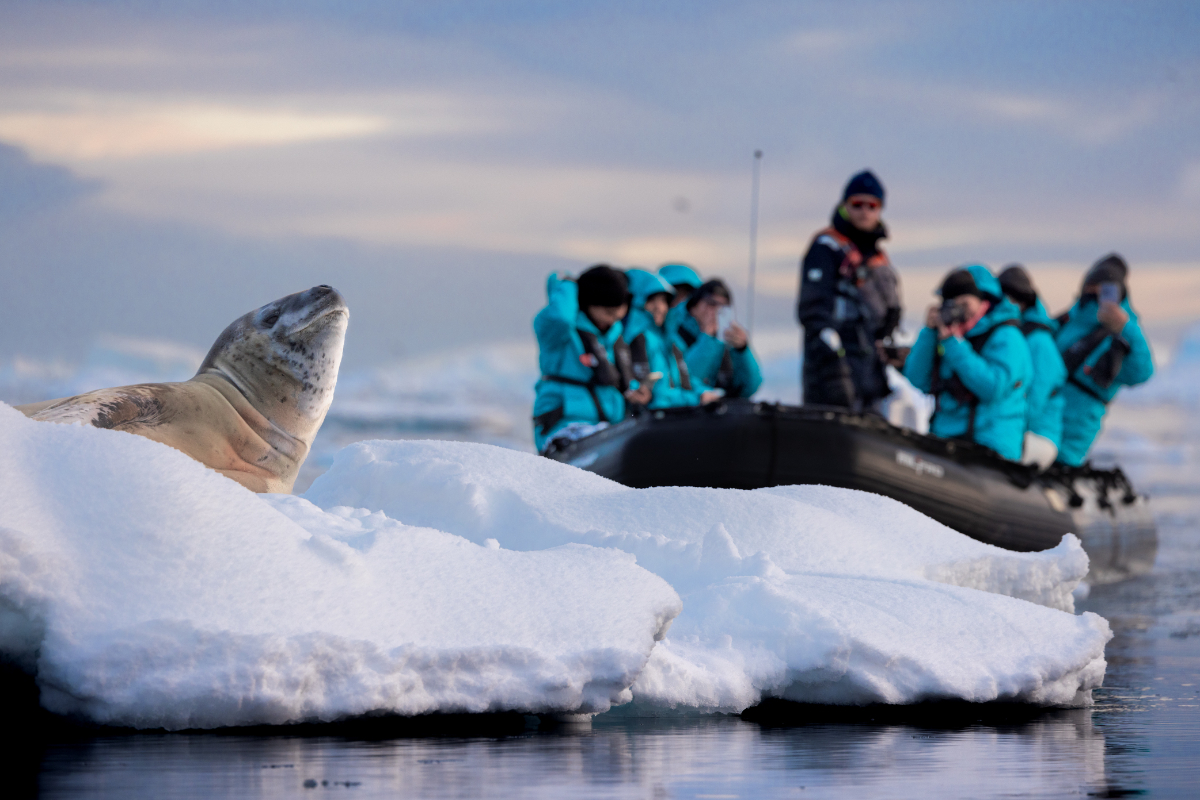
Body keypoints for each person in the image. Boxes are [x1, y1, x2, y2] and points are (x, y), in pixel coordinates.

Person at [903, 265, 1032, 461]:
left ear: (984, 299)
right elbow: (917, 379)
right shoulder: (950, 336)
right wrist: (929, 333)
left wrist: (954, 344)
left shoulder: (1007, 337)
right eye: (951, 302)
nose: (958, 309)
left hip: (989, 447)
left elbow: (991, 388)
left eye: (964, 302)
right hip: (947, 440)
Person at [798, 170, 902, 410]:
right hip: (831, 375)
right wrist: (833, 365)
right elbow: (813, 311)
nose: (864, 211)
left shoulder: (878, 259)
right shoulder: (826, 249)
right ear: (845, 205)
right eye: (857, 204)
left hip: (872, 376)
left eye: (872, 205)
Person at [532, 265, 650, 452]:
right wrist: (568, 284)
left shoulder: (612, 336)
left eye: (617, 313)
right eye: (607, 312)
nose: (612, 319)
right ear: (588, 303)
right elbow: (560, 317)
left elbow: (615, 377)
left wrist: (634, 392)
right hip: (563, 427)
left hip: (606, 429)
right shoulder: (559, 334)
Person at [1054, 254, 1155, 467]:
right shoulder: (1068, 320)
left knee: (1059, 467)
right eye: (1092, 285)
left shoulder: (1125, 332)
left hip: (1077, 428)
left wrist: (1126, 328)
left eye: (1106, 288)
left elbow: (1142, 372)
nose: (1096, 292)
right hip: (1043, 416)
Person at [998, 264, 1068, 470]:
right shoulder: (1010, 335)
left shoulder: (1039, 343)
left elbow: (1035, 401)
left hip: (1039, 437)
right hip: (1015, 429)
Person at [623, 269, 721, 409]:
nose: (659, 307)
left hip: (672, 417)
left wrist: (704, 392)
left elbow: (685, 379)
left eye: (664, 300)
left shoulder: (671, 341)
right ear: (636, 301)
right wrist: (697, 398)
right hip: (654, 421)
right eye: (651, 300)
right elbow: (657, 395)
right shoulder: (637, 340)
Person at [675, 279, 763, 399]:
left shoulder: (728, 342)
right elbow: (684, 381)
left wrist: (742, 350)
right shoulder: (676, 335)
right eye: (711, 304)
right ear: (693, 308)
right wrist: (708, 339)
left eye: (723, 306)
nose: (717, 310)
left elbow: (750, 388)